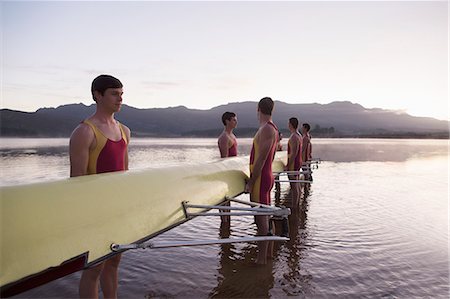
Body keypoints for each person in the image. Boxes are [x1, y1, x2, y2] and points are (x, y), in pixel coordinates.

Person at [69, 74, 131, 299]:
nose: (120, 99)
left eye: (121, 94)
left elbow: (125, 175)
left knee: (114, 261)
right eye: (115, 94)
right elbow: (76, 182)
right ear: (98, 95)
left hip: (117, 209)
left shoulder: (125, 131)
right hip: (94, 211)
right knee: (94, 268)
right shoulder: (84, 132)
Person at [244, 97, 279, 265]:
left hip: (261, 179)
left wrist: (251, 182)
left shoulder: (266, 129)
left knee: (261, 219)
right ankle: (269, 254)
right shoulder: (271, 129)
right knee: (266, 215)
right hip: (265, 177)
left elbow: (262, 159)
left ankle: (261, 260)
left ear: (258, 109)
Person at [285, 117, 302, 207]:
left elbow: (293, 153)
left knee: (294, 185)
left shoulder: (294, 137)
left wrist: (288, 165)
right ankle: (297, 204)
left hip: (294, 163)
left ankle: (295, 206)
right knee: (297, 183)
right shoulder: (298, 135)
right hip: (297, 162)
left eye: (288, 123)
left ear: (290, 124)